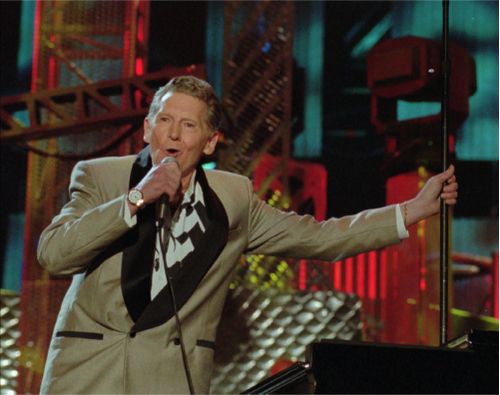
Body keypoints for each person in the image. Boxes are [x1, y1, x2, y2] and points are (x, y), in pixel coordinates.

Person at [37, 75, 458, 394]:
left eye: (187, 124)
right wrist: (132, 201)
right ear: (147, 129)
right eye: (163, 120)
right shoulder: (99, 177)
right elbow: (55, 254)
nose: (173, 133)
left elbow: (321, 237)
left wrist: (411, 211)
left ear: (209, 142)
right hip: (87, 377)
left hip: (169, 381)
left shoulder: (232, 200)